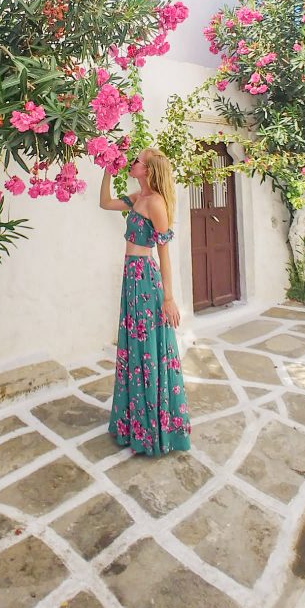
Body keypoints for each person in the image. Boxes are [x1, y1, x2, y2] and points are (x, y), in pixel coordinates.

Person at [99, 147, 191, 455]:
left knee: (149, 351)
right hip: (131, 278)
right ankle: (133, 424)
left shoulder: (156, 204)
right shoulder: (137, 198)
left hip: (146, 281)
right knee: (133, 349)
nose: (132, 163)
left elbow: (164, 253)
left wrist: (169, 297)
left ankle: (154, 430)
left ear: (148, 170)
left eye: (137, 161)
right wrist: (107, 170)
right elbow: (104, 203)